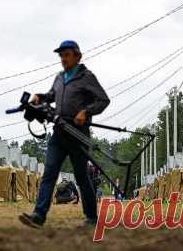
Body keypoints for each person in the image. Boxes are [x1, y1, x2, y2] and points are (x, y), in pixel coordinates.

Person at [19, 40, 110, 228]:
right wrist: (40, 97)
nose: (63, 59)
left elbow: (103, 100)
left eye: (67, 55)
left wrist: (86, 111)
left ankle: (92, 218)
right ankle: (39, 215)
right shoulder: (60, 78)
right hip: (59, 133)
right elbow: (51, 95)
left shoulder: (87, 77)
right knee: (49, 173)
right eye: (61, 56)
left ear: (78, 56)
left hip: (78, 134)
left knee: (81, 176)